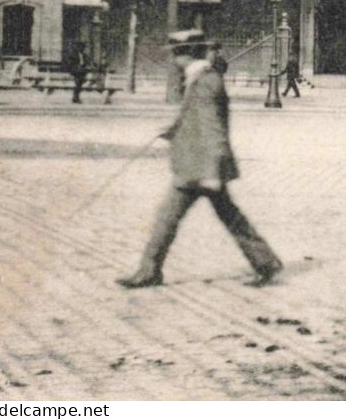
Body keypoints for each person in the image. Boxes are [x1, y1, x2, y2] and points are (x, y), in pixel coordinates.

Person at [116, 29, 282, 289]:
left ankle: (149, 272)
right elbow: (195, 116)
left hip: (201, 168)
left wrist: (212, 171)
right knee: (228, 217)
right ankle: (265, 262)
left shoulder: (206, 81)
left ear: (187, 55)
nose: (173, 60)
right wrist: (173, 129)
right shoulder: (199, 77)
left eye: (176, 55)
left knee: (168, 219)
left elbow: (213, 126)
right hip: (199, 165)